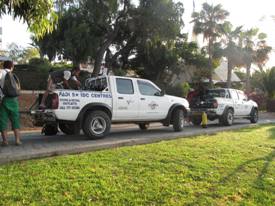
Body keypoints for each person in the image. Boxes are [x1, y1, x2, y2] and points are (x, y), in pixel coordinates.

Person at [0, 60, 22, 146]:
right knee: (15, 120)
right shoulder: (14, 75)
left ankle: (5, 141)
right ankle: (17, 140)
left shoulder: (1, 72)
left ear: (3, 66)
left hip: (3, 100)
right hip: (14, 100)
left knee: (2, 120)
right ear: (12, 67)